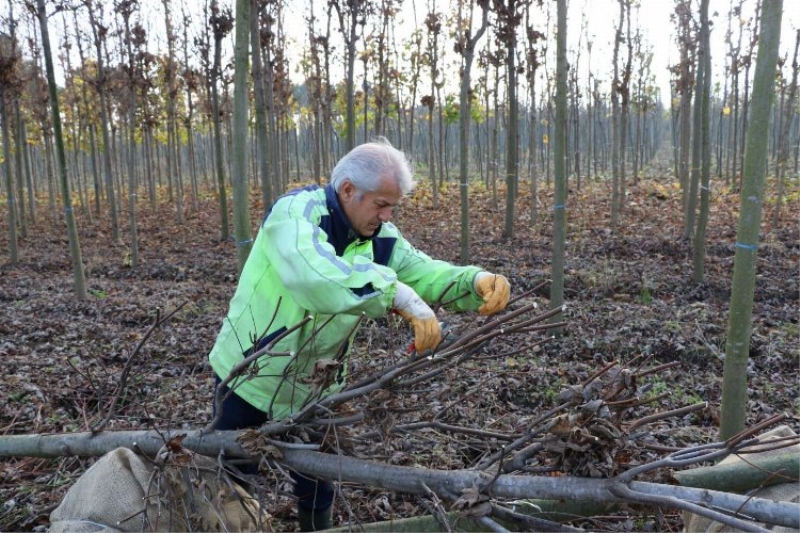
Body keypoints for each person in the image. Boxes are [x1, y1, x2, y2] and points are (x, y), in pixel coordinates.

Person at [207, 137, 511, 531]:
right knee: (232, 479)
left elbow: (422, 270)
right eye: (380, 204)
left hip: (316, 385)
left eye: (392, 207)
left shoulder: (379, 238)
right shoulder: (295, 214)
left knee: (317, 482)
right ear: (348, 190)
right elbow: (312, 276)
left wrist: (475, 281)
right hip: (249, 375)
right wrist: (395, 294)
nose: (386, 216)